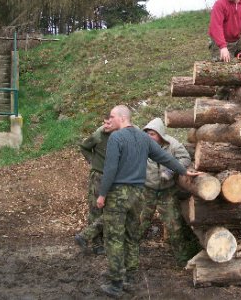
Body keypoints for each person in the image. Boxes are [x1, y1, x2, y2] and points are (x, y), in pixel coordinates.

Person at [96, 105, 201, 297]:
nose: (109, 120)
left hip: (119, 194)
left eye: (111, 116)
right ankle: (131, 277)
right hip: (138, 193)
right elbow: (164, 157)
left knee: (114, 238)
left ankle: (116, 283)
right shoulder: (143, 137)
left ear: (121, 117)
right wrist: (183, 170)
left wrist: (102, 194)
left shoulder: (116, 138)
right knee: (131, 235)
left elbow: (110, 169)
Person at [139, 118, 200, 266]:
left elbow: (185, 158)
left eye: (152, 134)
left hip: (167, 191)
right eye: (147, 133)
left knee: (174, 225)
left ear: (160, 134)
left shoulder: (172, 144)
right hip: (147, 190)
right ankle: (128, 252)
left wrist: (171, 170)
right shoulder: (141, 145)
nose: (149, 137)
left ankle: (182, 260)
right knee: (140, 222)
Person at [75, 115, 114, 255]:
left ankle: (108, 240)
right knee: (96, 209)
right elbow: (84, 147)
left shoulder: (122, 134)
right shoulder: (98, 134)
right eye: (104, 122)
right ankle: (97, 244)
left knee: (113, 209)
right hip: (99, 176)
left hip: (115, 177)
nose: (106, 125)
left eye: (109, 122)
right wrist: (92, 161)